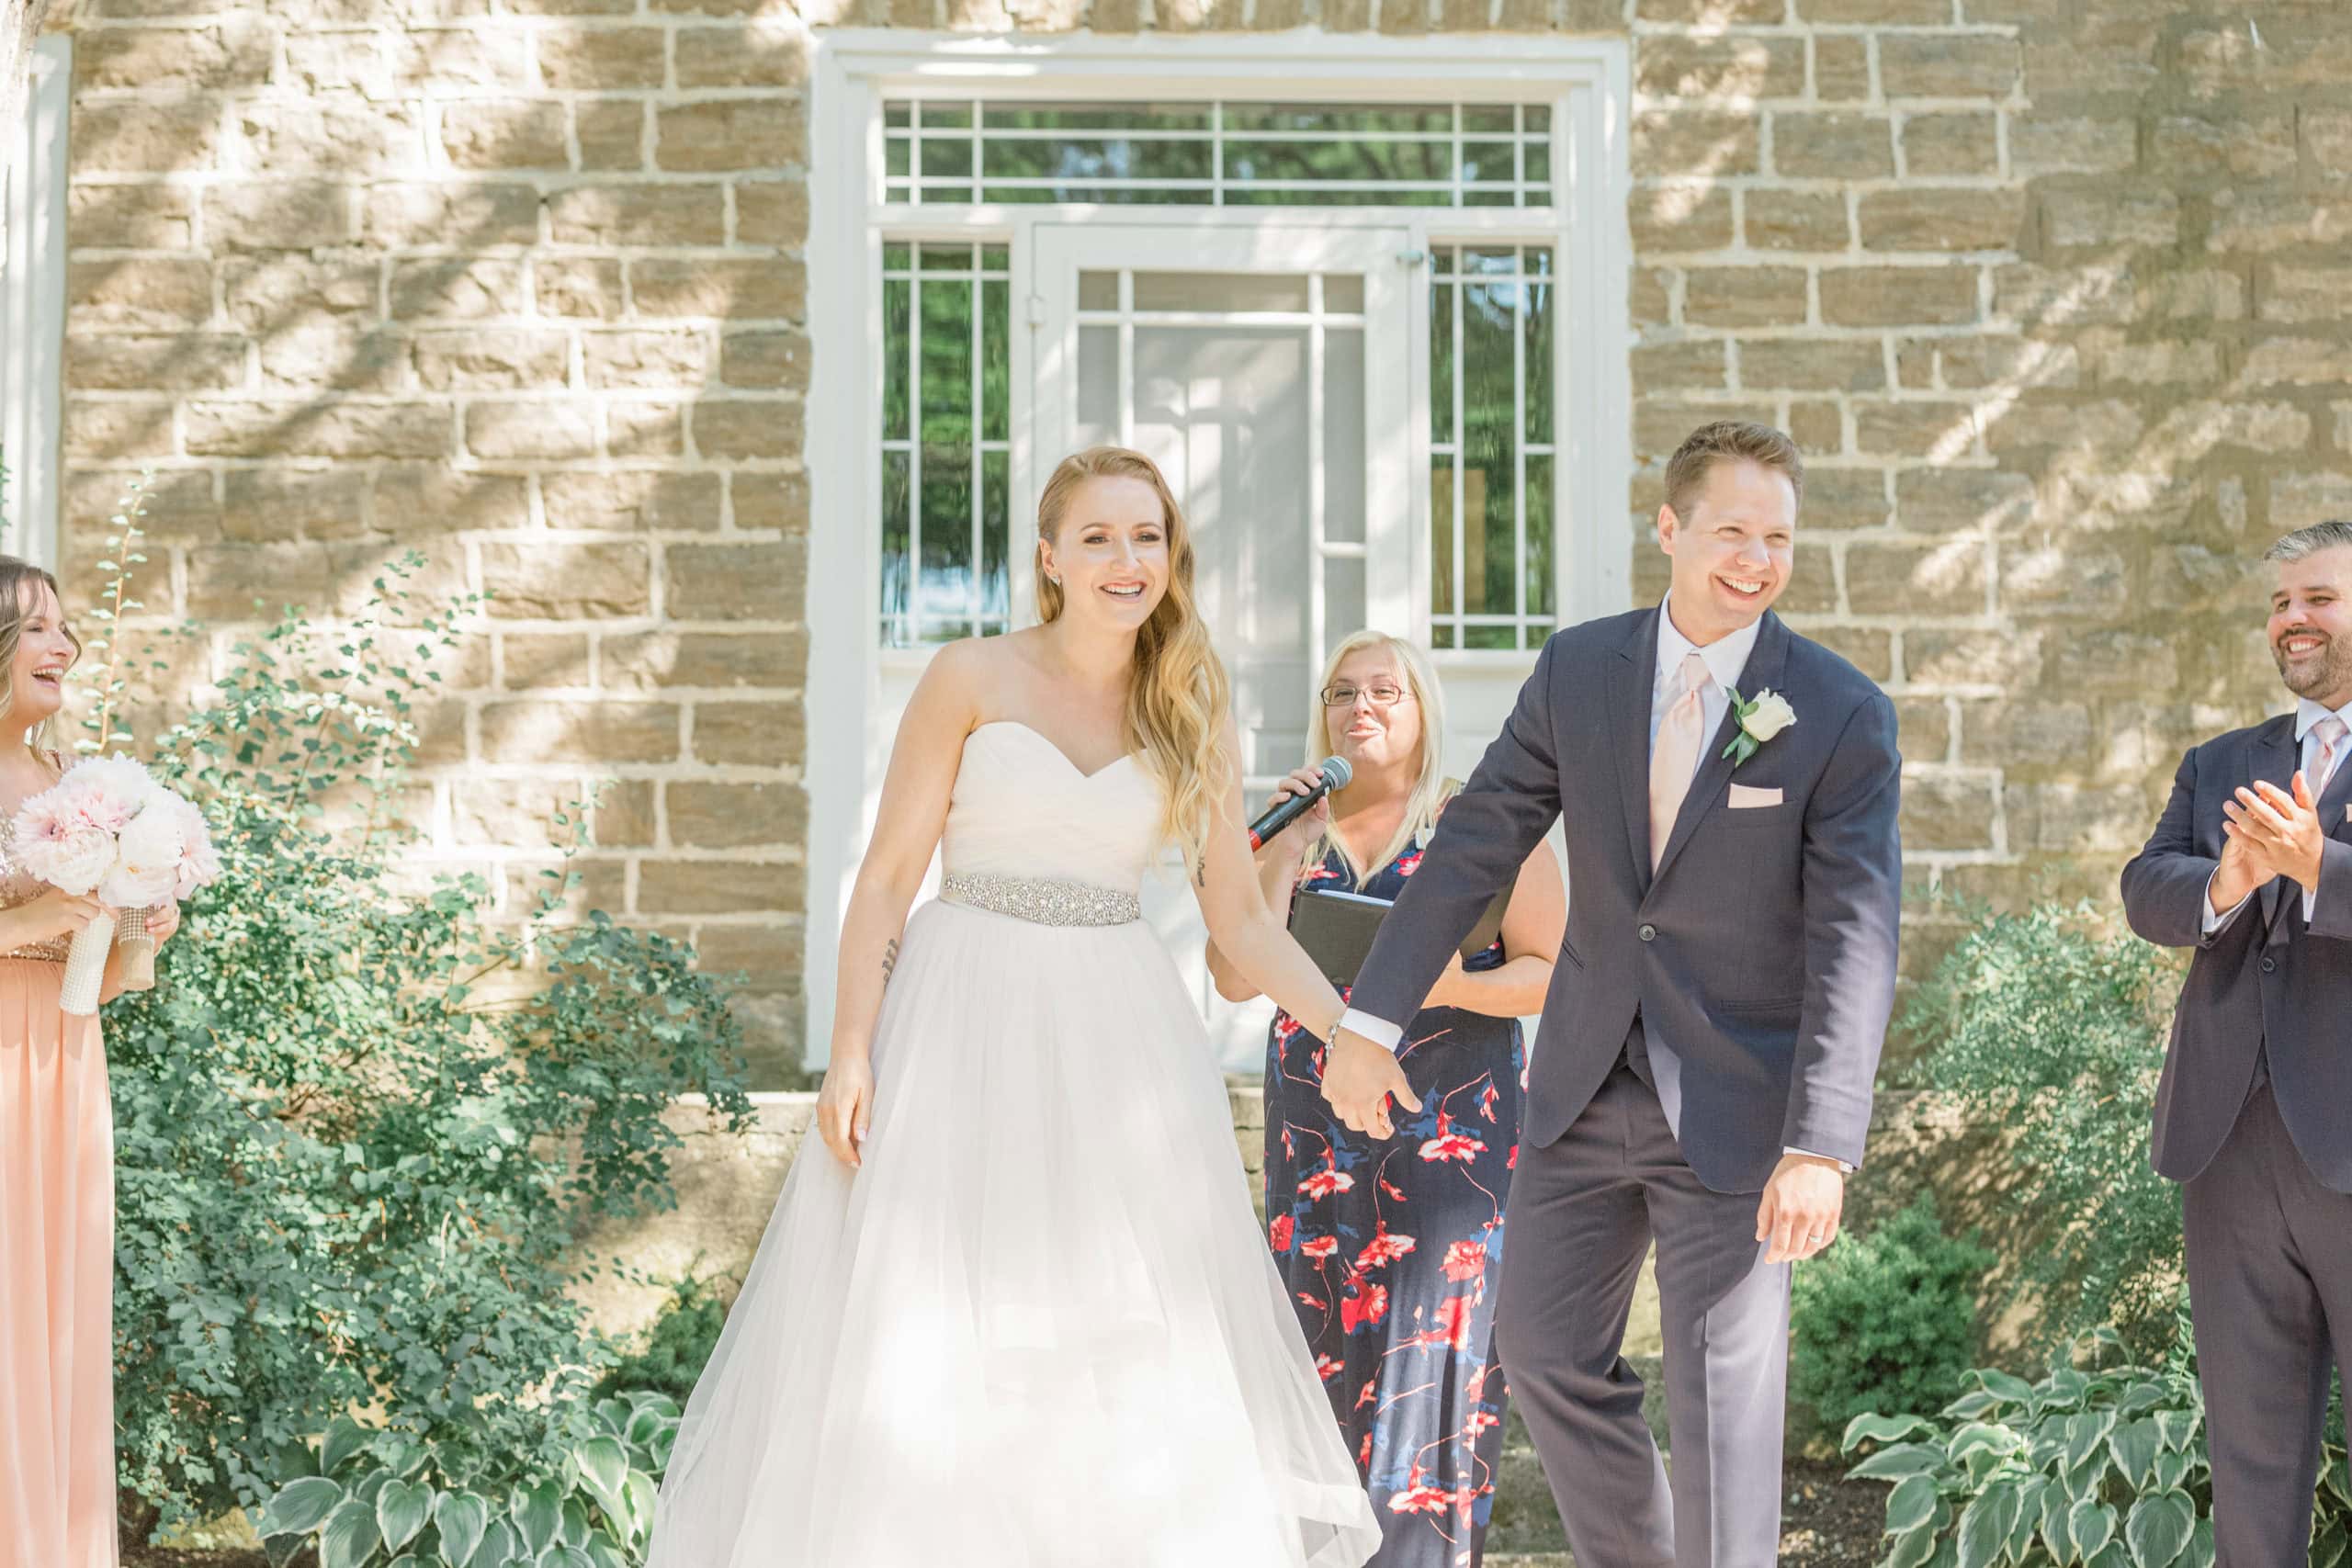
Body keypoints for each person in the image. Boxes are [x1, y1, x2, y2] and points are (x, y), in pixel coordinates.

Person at [649, 446, 1380, 1568]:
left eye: (1146, 537)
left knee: (1119, 1325)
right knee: (936, 1314)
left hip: (1116, 1038)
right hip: (959, 1020)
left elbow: (1239, 923)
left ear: (1169, 556)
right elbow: (889, 876)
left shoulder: (1191, 707)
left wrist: (1351, 1031)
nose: (1125, 560)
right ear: (1050, 558)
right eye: (1097, 537)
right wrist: (850, 1050)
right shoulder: (969, 677)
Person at [1321, 422, 1903, 1568]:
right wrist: (1367, 1018)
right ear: (1669, 528)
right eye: (1731, 530)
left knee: (1724, 1410)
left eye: (1777, 537)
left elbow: (1856, 937)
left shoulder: (1836, 710)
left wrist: (1822, 1146)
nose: (1755, 558)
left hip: (1738, 1107)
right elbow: (1478, 843)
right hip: (1582, 1083)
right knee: (1540, 1352)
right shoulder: (1580, 670)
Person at [1209, 629, 1563, 1565]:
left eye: (1383, 692)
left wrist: (1449, 987)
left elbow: (1554, 973)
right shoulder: (1299, 830)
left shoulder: (1478, 826)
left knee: (1430, 1368)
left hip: (1448, 1139)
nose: (1357, 707)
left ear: (1424, 713)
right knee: (1315, 1356)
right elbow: (1231, 974)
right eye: (1339, 692)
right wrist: (1285, 847)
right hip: (1313, 1137)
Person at [2120, 518, 2352, 1568]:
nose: (2291, 620)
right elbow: (2144, 887)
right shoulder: (2223, 760)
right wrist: (2227, 882)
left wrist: (2317, 866)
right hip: (2227, 1145)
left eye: (2318, 599)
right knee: (2251, 1461)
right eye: (2278, 603)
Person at [0, 558, 182, 1568]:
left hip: (64, 1066)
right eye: (34, 628)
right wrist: (23, 916)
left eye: (66, 628)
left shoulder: (77, 784)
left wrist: (140, 925)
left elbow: (108, 974)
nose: (62, 646)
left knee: (55, 1316)